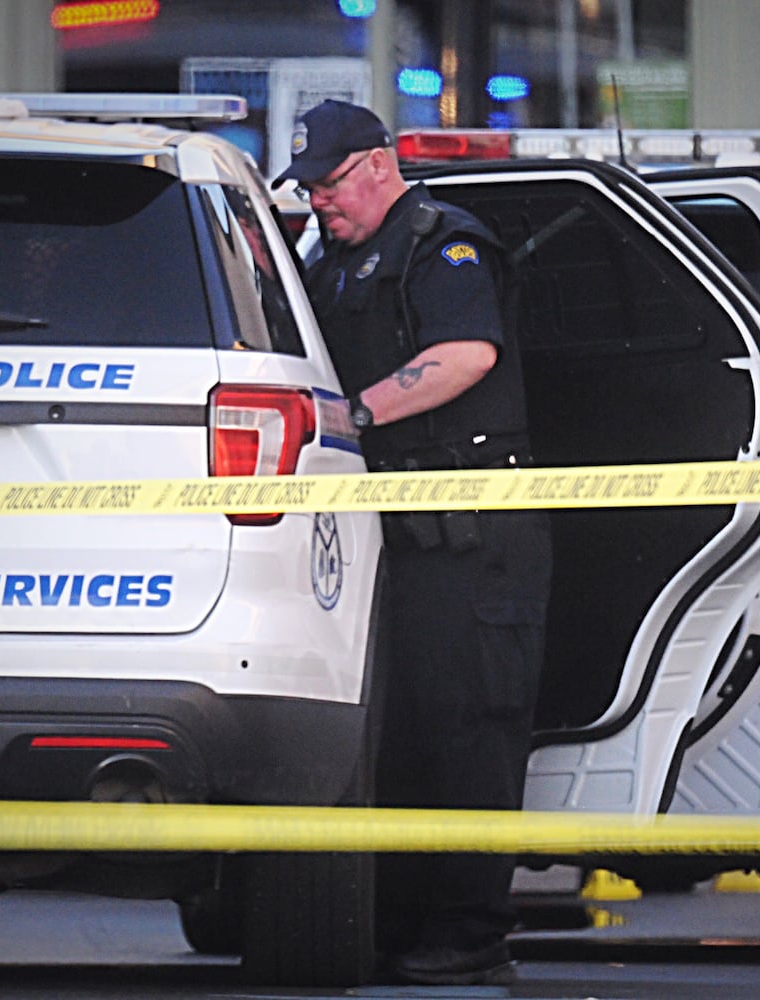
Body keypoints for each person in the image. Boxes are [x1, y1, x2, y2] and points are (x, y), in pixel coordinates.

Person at [275, 100, 552, 987]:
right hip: (390, 539)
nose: (319, 202)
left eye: (328, 183)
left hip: (474, 540)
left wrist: (352, 416)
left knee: (469, 734)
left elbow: (467, 354)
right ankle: (400, 920)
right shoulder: (333, 262)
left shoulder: (445, 243)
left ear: (378, 165)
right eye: (309, 189)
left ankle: (473, 934)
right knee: (397, 738)